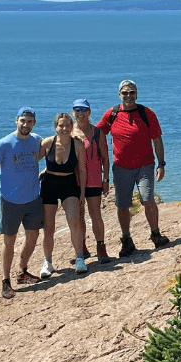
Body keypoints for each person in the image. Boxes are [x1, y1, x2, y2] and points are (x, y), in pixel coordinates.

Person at [96, 80, 170, 257]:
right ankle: (126, 240)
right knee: (122, 206)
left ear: (136, 94)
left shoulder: (146, 113)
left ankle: (156, 234)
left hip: (145, 165)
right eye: (125, 93)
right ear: (119, 95)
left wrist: (161, 164)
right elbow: (96, 134)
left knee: (148, 200)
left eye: (132, 92)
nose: (128, 96)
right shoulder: (112, 114)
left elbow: (157, 139)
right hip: (121, 167)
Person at [0, 107, 45, 299]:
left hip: (33, 199)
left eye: (29, 121)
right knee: (9, 240)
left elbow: (53, 148)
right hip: (11, 201)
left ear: (34, 123)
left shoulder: (36, 140)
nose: (26, 124)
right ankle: (5, 281)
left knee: (33, 236)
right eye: (23, 121)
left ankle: (22, 271)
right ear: (16, 120)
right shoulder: (4, 144)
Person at [37, 112, 88, 278]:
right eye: (61, 125)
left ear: (72, 126)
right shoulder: (47, 143)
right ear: (56, 127)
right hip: (49, 185)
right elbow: (29, 163)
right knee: (49, 228)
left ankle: (80, 259)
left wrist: (81, 194)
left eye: (68, 125)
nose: (64, 128)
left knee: (74, 222)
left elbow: (82, 170)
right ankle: (48, 263)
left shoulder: (78, 145)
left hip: (69, 184)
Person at [71, 99, 112, 264]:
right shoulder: (68, 132)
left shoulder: (97, 133)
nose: (80, 113)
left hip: (94, 180)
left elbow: (105, 157)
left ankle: (101, 248)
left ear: (89, 112)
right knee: (78, 217)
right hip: (74, 181)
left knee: (96, 215)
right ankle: (82, 249)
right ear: (73, 112)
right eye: (76, 110)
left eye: (83, 110)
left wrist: (106, 179)